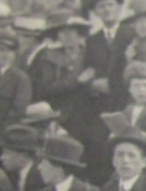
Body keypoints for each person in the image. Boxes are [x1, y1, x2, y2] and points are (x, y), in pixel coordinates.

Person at [28, 12, 101, 150]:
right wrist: (76, 81)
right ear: (57, 35)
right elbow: (45, 89)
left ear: (79, 33)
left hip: (89, 116)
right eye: (62, 32)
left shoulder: (91, 54)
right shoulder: (48, 57)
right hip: (60, 117)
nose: (67, 36)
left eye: (71, 31)